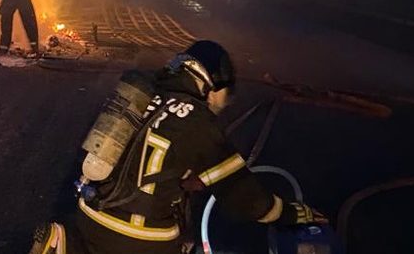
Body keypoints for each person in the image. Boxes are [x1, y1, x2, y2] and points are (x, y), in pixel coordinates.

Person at [30, 40, 327, 254]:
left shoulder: (143, 96)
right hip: (139, 239)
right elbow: (247, 200)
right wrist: (291, 213)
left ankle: (66, 245)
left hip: (88, 214)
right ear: (213, 84)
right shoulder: (196, 120)